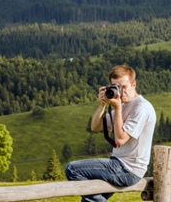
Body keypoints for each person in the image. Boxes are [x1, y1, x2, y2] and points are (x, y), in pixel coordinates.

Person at [65, 64, 156, 201]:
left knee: (72, 169)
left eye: (124, 87)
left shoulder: (141, 108)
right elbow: (95, 127)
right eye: (116, 87)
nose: (121, 92)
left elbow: (120, 140)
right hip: (118, 164)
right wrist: (102, 105)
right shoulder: (124, 106)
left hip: (128, 169)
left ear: (134, 85)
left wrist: (118, 108)